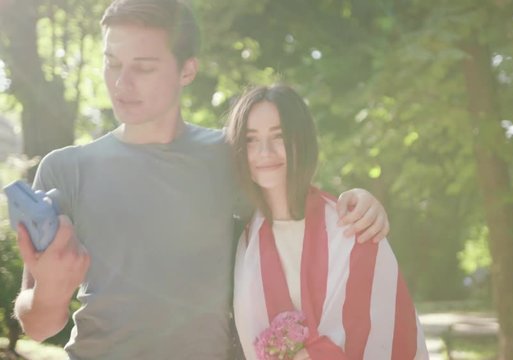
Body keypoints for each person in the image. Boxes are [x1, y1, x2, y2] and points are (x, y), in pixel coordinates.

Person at [12, 1, 389, 358]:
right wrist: (48, 292)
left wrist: (358, 199)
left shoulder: (232, 157)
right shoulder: (66, 170)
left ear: (187, 71)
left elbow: (299, 218)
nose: (121, 83)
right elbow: (40, 328)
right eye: (112, 63)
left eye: (143, 67)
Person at [228, 85, 428, 359]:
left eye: (279, 136)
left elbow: (389, 333)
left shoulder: (351, 226)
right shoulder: (240, 237)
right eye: (251, 140)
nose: (264, 152)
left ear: (303, 141)